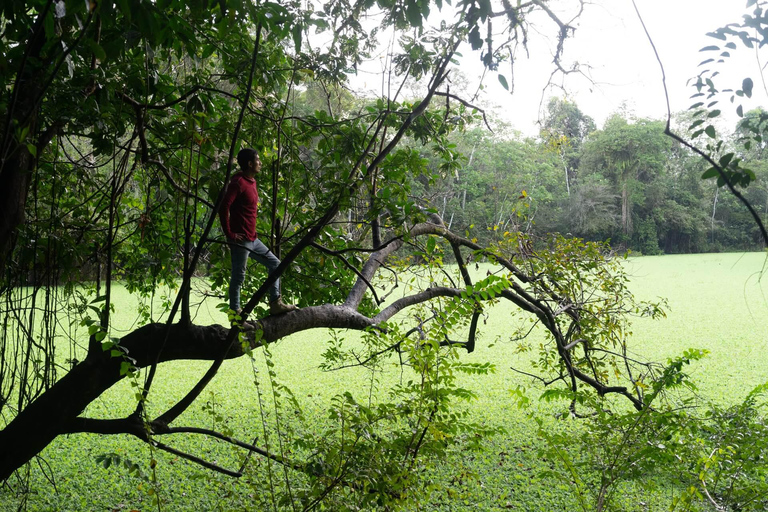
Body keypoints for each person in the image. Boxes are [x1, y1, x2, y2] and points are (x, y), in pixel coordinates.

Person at [219, 148, 297, 316]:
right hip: (241, 240)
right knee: (238, 277)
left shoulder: (251, 181)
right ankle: (235, 315)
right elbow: (224, 206)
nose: (260, 163)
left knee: (275, 263)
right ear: (249, 163)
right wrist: (230, 234)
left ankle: (275, 303)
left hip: (252, 239)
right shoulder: (238, 182)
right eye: (258, 160)